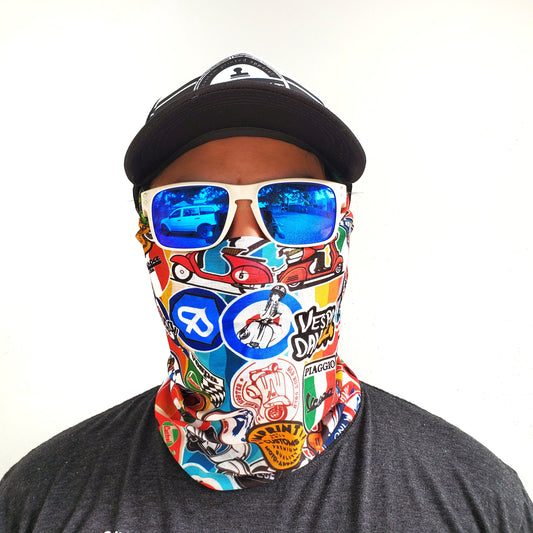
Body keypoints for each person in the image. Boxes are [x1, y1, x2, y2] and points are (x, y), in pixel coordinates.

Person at [0, 53, 531, 532]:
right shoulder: (38, 501)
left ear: (343, 227)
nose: (245, 242)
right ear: (147, 235)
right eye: (194, 206)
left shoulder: (477, 501)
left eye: (295, 203)